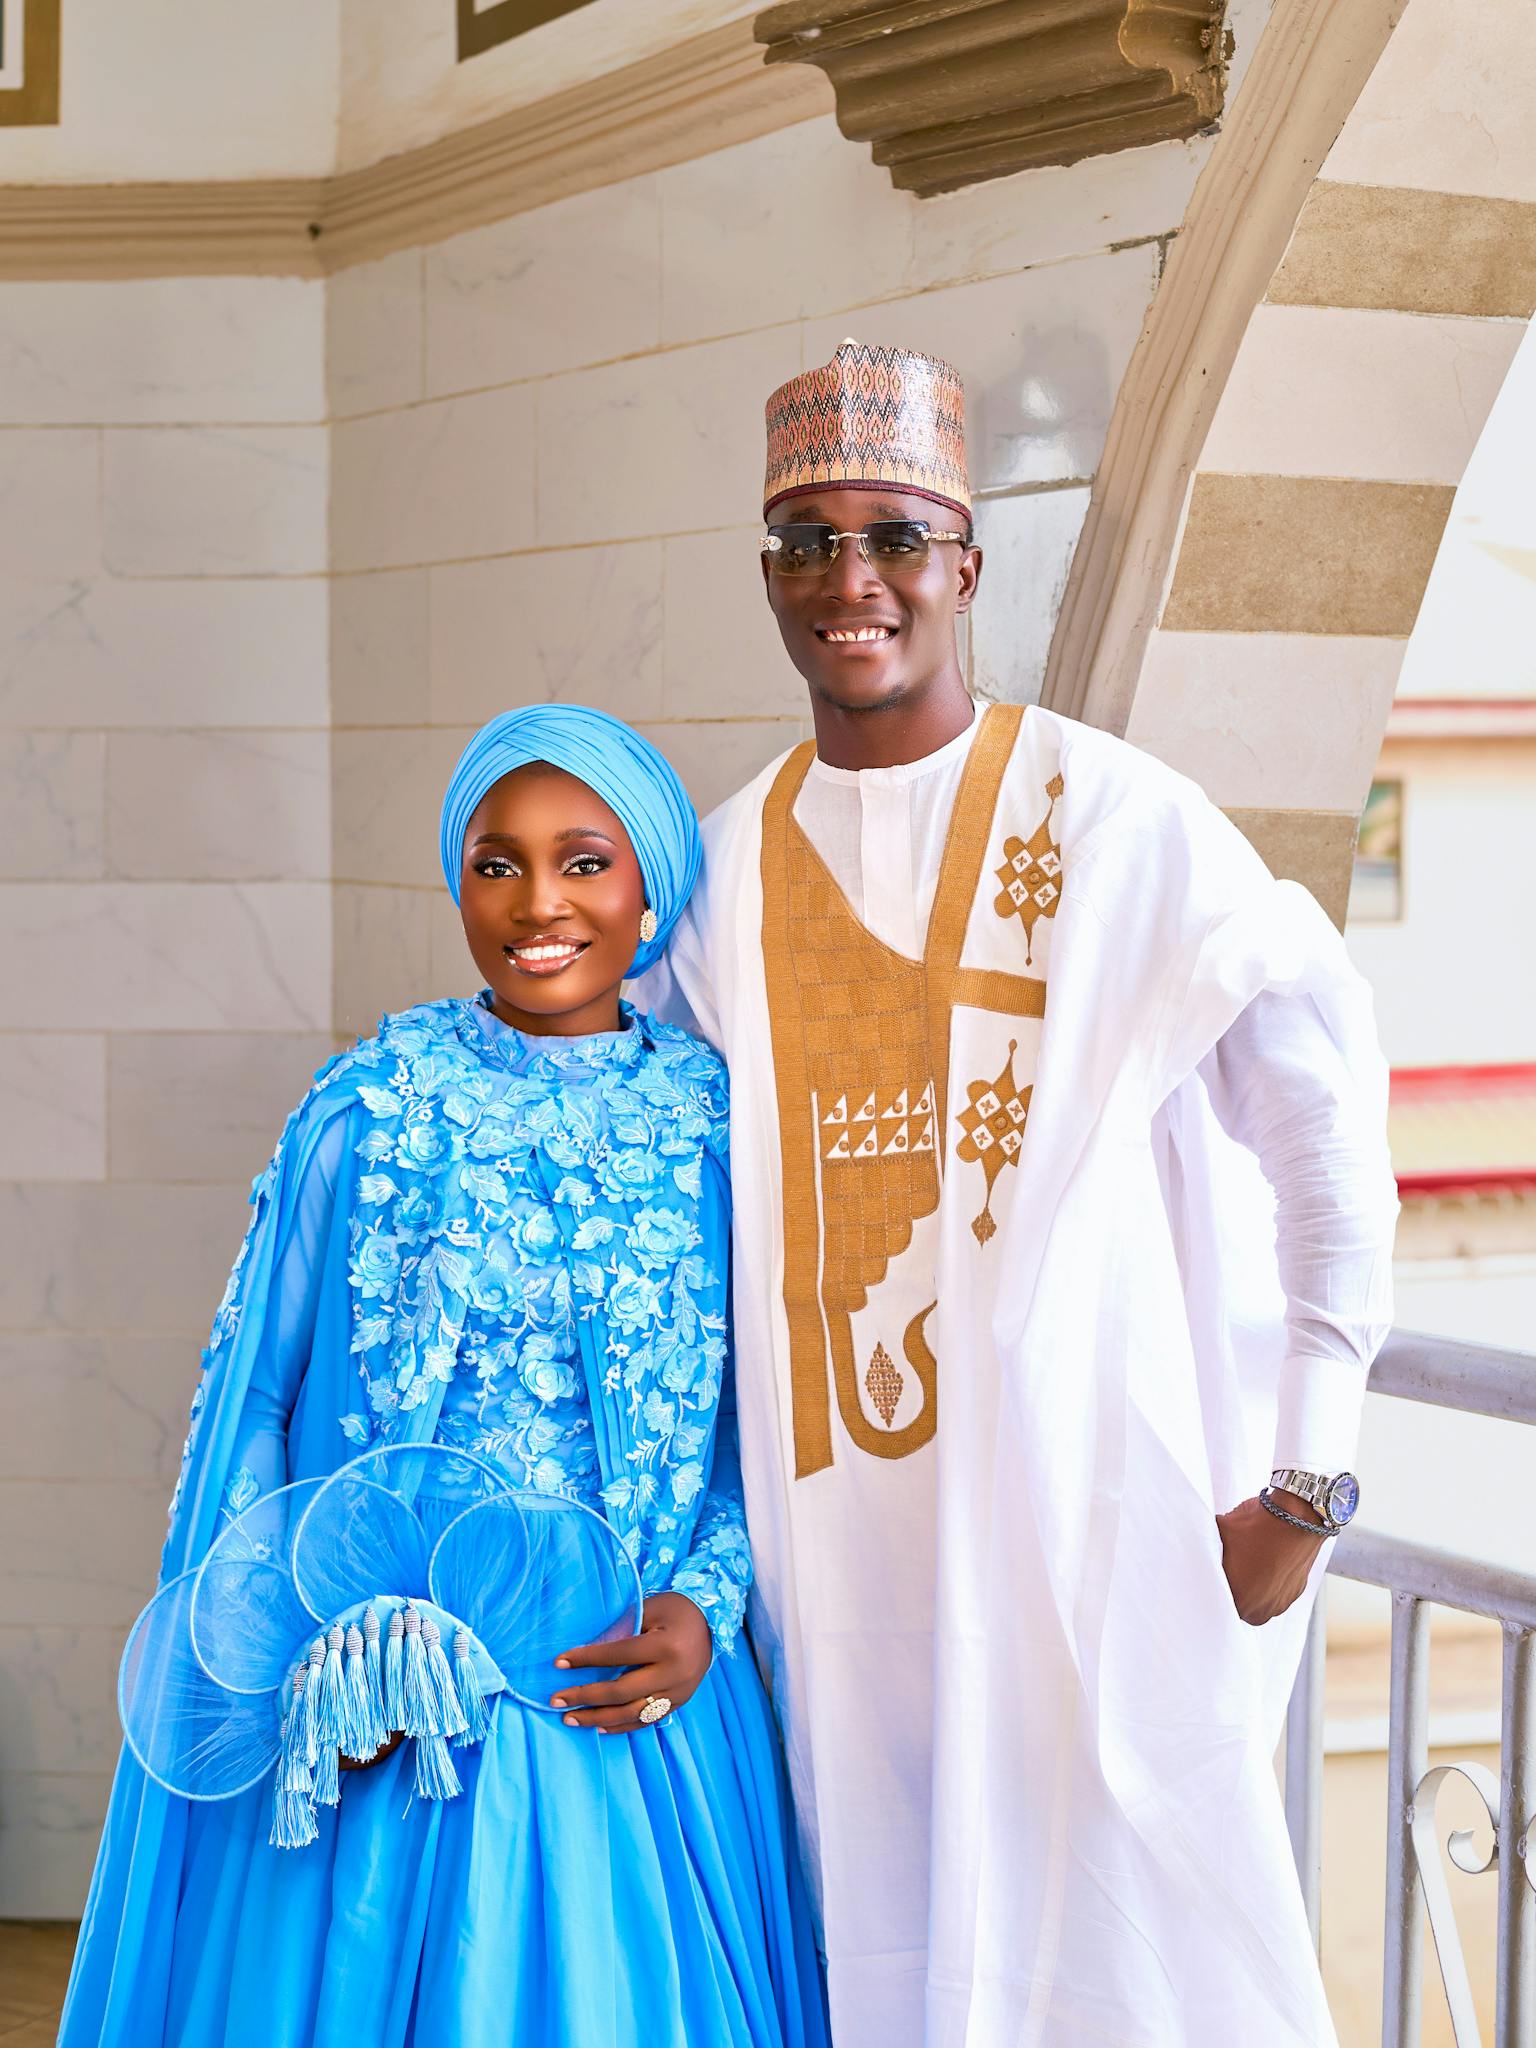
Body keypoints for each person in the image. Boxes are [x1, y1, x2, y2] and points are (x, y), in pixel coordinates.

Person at [636, 342, 1400, 2047]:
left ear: (967, 567)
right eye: (808, 542)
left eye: (896, 537)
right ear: (768, 576)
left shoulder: (1121, 824)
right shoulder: (722, 872)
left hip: (1092, 1568)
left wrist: (1313, 1470)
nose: (854, 582)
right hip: (832, 1609)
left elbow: (1321, 1123)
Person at [61, 704, 829, 2048]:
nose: (539, 903)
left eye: (585, 861)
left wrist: (703, 1605)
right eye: (497, 862)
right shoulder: (364, 1106)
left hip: (623, 1718)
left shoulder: (720, 1124)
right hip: (372, 1710)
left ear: (653, 882)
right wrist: (298, 1637)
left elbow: (754, 1438)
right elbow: (248, 1403)